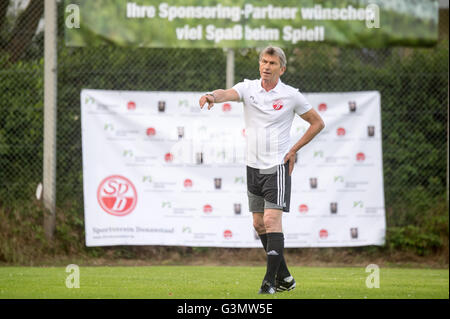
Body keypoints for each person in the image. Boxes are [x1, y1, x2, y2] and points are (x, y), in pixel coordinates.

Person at [199, 46, 325, 294]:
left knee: (271, 220)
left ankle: (269, 284)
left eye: (273, 63)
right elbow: (226, 93)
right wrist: (211, 96)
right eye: (264, 62)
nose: (267, 66)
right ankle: (285, 277)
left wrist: (293, 149)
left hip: (276, 166)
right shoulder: (248, 88)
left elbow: (317, 122)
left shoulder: (291, 95)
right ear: (259, 65)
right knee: (258, 224)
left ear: (282, 68)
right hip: (252, 166)